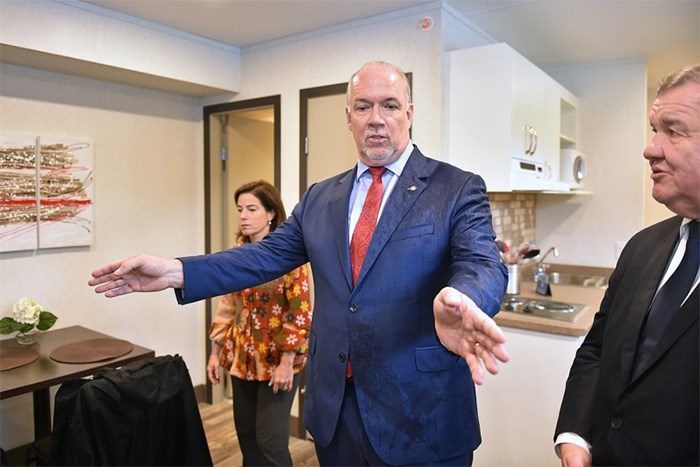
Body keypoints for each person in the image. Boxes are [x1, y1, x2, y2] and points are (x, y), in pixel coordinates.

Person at [89, 61, 510, 466]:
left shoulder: (455, 187)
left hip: (421, 415)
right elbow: (264, 256)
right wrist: (176, 271)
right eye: (364, 107)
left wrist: (465, 297)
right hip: (335, 413)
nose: (376, 118)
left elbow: (482, 263)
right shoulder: (320, 197)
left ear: (410, 113)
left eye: (390, 105)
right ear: (348, 117)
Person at [554, 64, 700, 466]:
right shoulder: (642, 247)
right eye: (654, 130)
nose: (650, 148)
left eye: (673, 130)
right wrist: (574, 437)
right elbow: (597, 351)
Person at [207, 180, 312, 466]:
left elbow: (300, 312)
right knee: (248, 438)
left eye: (252, 209)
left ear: (270, 214)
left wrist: (287, 361)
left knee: (270, 442)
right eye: (240, 209)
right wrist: (215, 353)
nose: (243, 215)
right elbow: (227, 306)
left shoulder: (290, 256)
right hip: (242, 357)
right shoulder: (236, 254)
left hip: (278, 360)